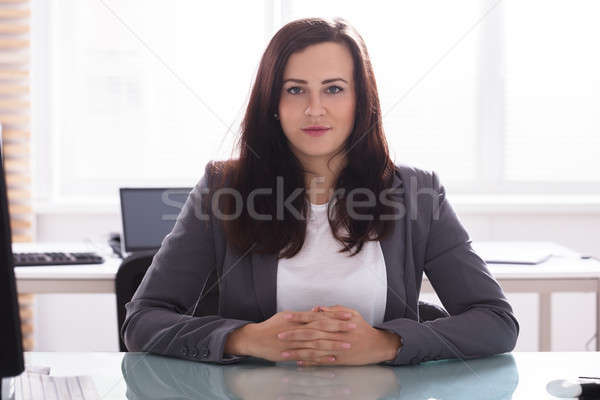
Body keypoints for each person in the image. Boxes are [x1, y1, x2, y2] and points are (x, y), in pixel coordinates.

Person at [122, 17, 519, 367]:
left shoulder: (417, 192)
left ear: (360, 100)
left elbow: (495, 321)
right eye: (295, 90)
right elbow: (143, 320)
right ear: (272, 102)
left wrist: (386, 344)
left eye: (333, 89)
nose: (315, 109)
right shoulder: (223, 189)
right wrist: (245, 338)